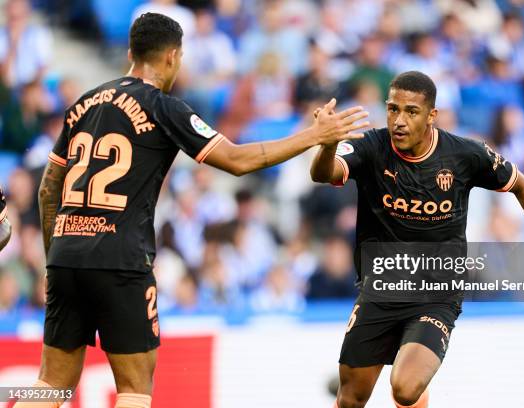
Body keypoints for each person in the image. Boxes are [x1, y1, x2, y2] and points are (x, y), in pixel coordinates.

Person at [19, 12, 368, 408]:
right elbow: (237, 160)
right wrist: (313, 135)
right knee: (134, 388)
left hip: (66, 253)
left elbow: (49, 188)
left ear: (131, 52)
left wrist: (56, 257)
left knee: (50, 383)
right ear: (172, 57)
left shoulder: (83, 103)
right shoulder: (163, 106)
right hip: (119, 257)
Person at [310, 71, 524, 408]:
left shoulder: (464, 154)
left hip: (436, 292)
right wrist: (328, 143)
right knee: (350, 399)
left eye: (411, 111)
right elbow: (323, 173)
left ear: (431, 115)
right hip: (380, 289)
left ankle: (414, 379)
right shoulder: (371, 148)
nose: (399, 120)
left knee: (404, 388)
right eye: (393, 109)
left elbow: (522, 185)